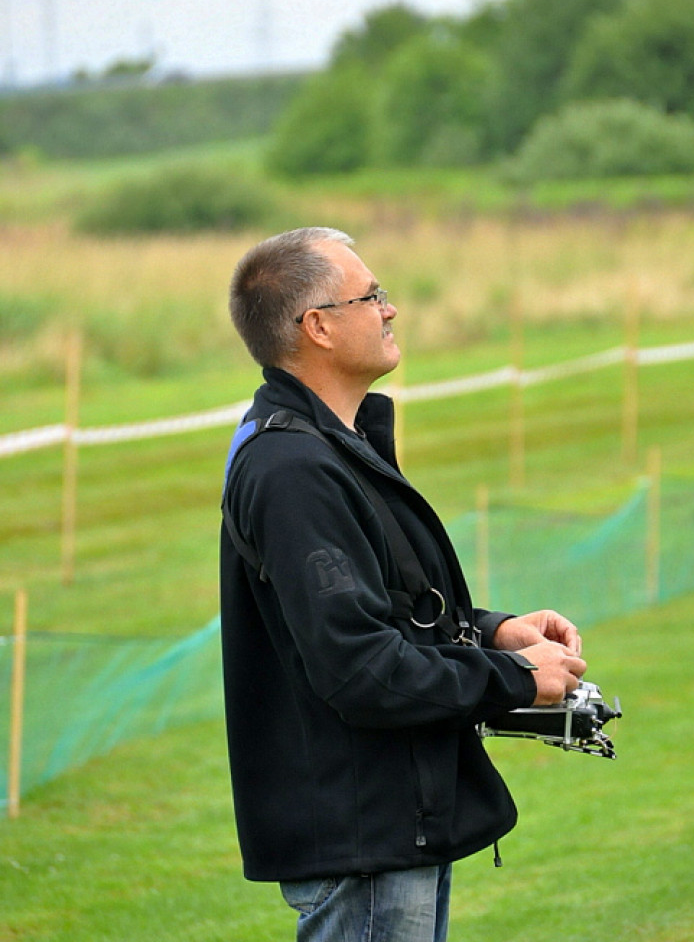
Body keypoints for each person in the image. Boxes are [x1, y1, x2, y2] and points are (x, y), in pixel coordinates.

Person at [220, 227, 587, 942]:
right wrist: (514, 677)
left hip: (394, 822)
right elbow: (361, 669)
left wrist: (490, 631)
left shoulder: (330, 444)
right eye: (372, 295)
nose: (390, 310)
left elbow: (377, 606)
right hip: (363, 830)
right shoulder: (292, 469)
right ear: (318, 326)